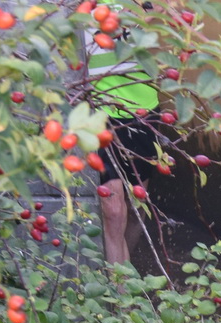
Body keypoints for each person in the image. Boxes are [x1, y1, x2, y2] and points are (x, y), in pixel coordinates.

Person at [79, 2, 161, 266]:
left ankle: (127, 275)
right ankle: (122, 301)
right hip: (97, 107)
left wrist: (147, 13)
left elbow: (165, 28)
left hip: (141, 106)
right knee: (113, 211)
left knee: (138, 206)